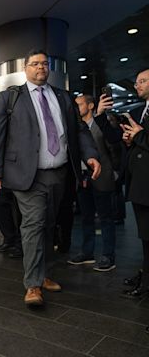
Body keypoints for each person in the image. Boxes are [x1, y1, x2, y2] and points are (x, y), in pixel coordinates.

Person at [0, 49, 100, 306]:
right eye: (35, 64)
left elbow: (79, 130)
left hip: (59, 173)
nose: (41, 68)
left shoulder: (63, 97)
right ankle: (33, 285)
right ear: (25, 69)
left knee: (50, 224)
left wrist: (90, 155)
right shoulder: (10, 98)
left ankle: (45, 273)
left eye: (45, 64)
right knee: (34, 223)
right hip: (27, 175)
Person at [95, 68, 149, 298]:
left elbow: (141, 137)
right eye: (137, 81)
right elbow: (115, 137)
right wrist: (100, 115)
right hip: (138, 182)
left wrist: (138, 136)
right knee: (145, 236)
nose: (137, 85)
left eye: (143, 81)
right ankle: (145, 275)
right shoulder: (138, 111)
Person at [68, 94, 118, 271]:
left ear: (90, 106)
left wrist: (115, 173)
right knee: (86, 218)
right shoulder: (75, 127)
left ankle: (108, 256)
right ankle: (87, 252)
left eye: (80, 104)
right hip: (82, 178)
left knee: (105, 218)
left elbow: (113, 149)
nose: (76, 108)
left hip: (102, 176)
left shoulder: (101, 124)